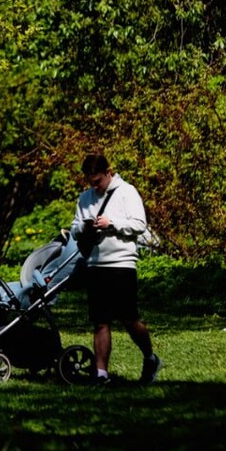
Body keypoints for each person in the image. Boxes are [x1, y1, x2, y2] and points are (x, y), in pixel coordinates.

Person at [70, 154, 162, 386]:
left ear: (108, 172)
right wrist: (84, 227)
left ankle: (150, 358)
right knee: (100, 321)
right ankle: (101, 374)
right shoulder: (85, 198)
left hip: (121, 263)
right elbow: (74, 229)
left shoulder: (127, 192)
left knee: (129, 318)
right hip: (95, 264)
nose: (94, 186)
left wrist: (112, 224)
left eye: (98, 181)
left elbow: (139, 224)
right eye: (90, 182)